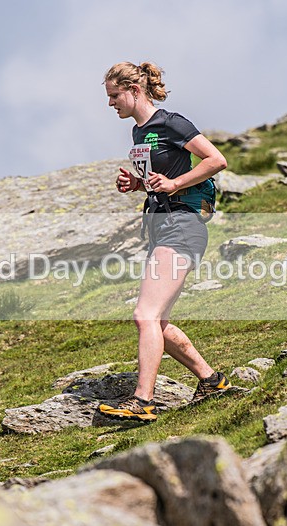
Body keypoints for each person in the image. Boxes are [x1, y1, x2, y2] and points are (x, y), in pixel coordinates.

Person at [97, 61, 231, 423]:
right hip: (162, 225)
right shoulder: (138, 134)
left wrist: (175, 184)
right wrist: (138, 184)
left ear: (134, 91)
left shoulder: (171, 122)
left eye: (114, 96)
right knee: (158, 322)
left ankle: (143, 401)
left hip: (182, 225)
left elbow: (217, 160)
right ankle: (211, 381)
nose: (110, 104)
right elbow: (161, 176)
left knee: (145, 316)